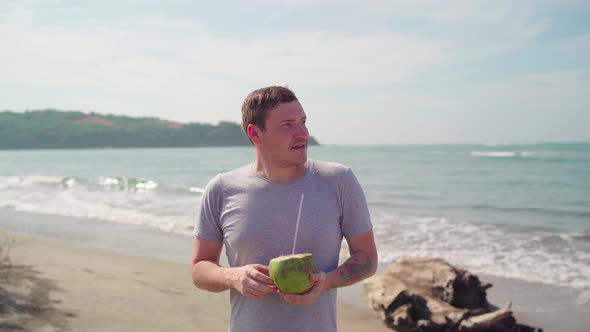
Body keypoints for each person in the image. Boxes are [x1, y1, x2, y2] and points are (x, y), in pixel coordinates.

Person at [191, 86, 377, 332]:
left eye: (303, 122)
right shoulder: (222, 189)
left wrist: (327, 281)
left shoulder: (338, 180)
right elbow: (200, 269)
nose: (302, 133)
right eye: (287, 125)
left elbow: (367, 258)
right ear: (255, 133)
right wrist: (234, 277)